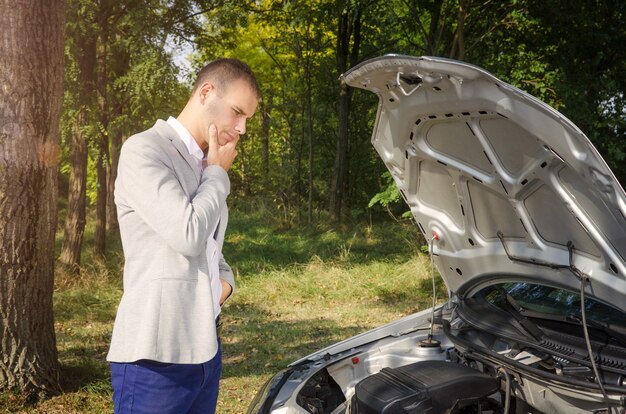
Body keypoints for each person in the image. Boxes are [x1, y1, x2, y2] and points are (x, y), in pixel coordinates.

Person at [107, 58, 260, 414]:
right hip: (155, 357)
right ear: (206, 92)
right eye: (237, 112)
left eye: (247, 119)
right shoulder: (145, 149)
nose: (241, 129)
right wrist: (218, 176)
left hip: (205, 350)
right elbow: (189, 233)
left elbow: (210, 246)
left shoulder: (205, 164)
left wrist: (226, 284)